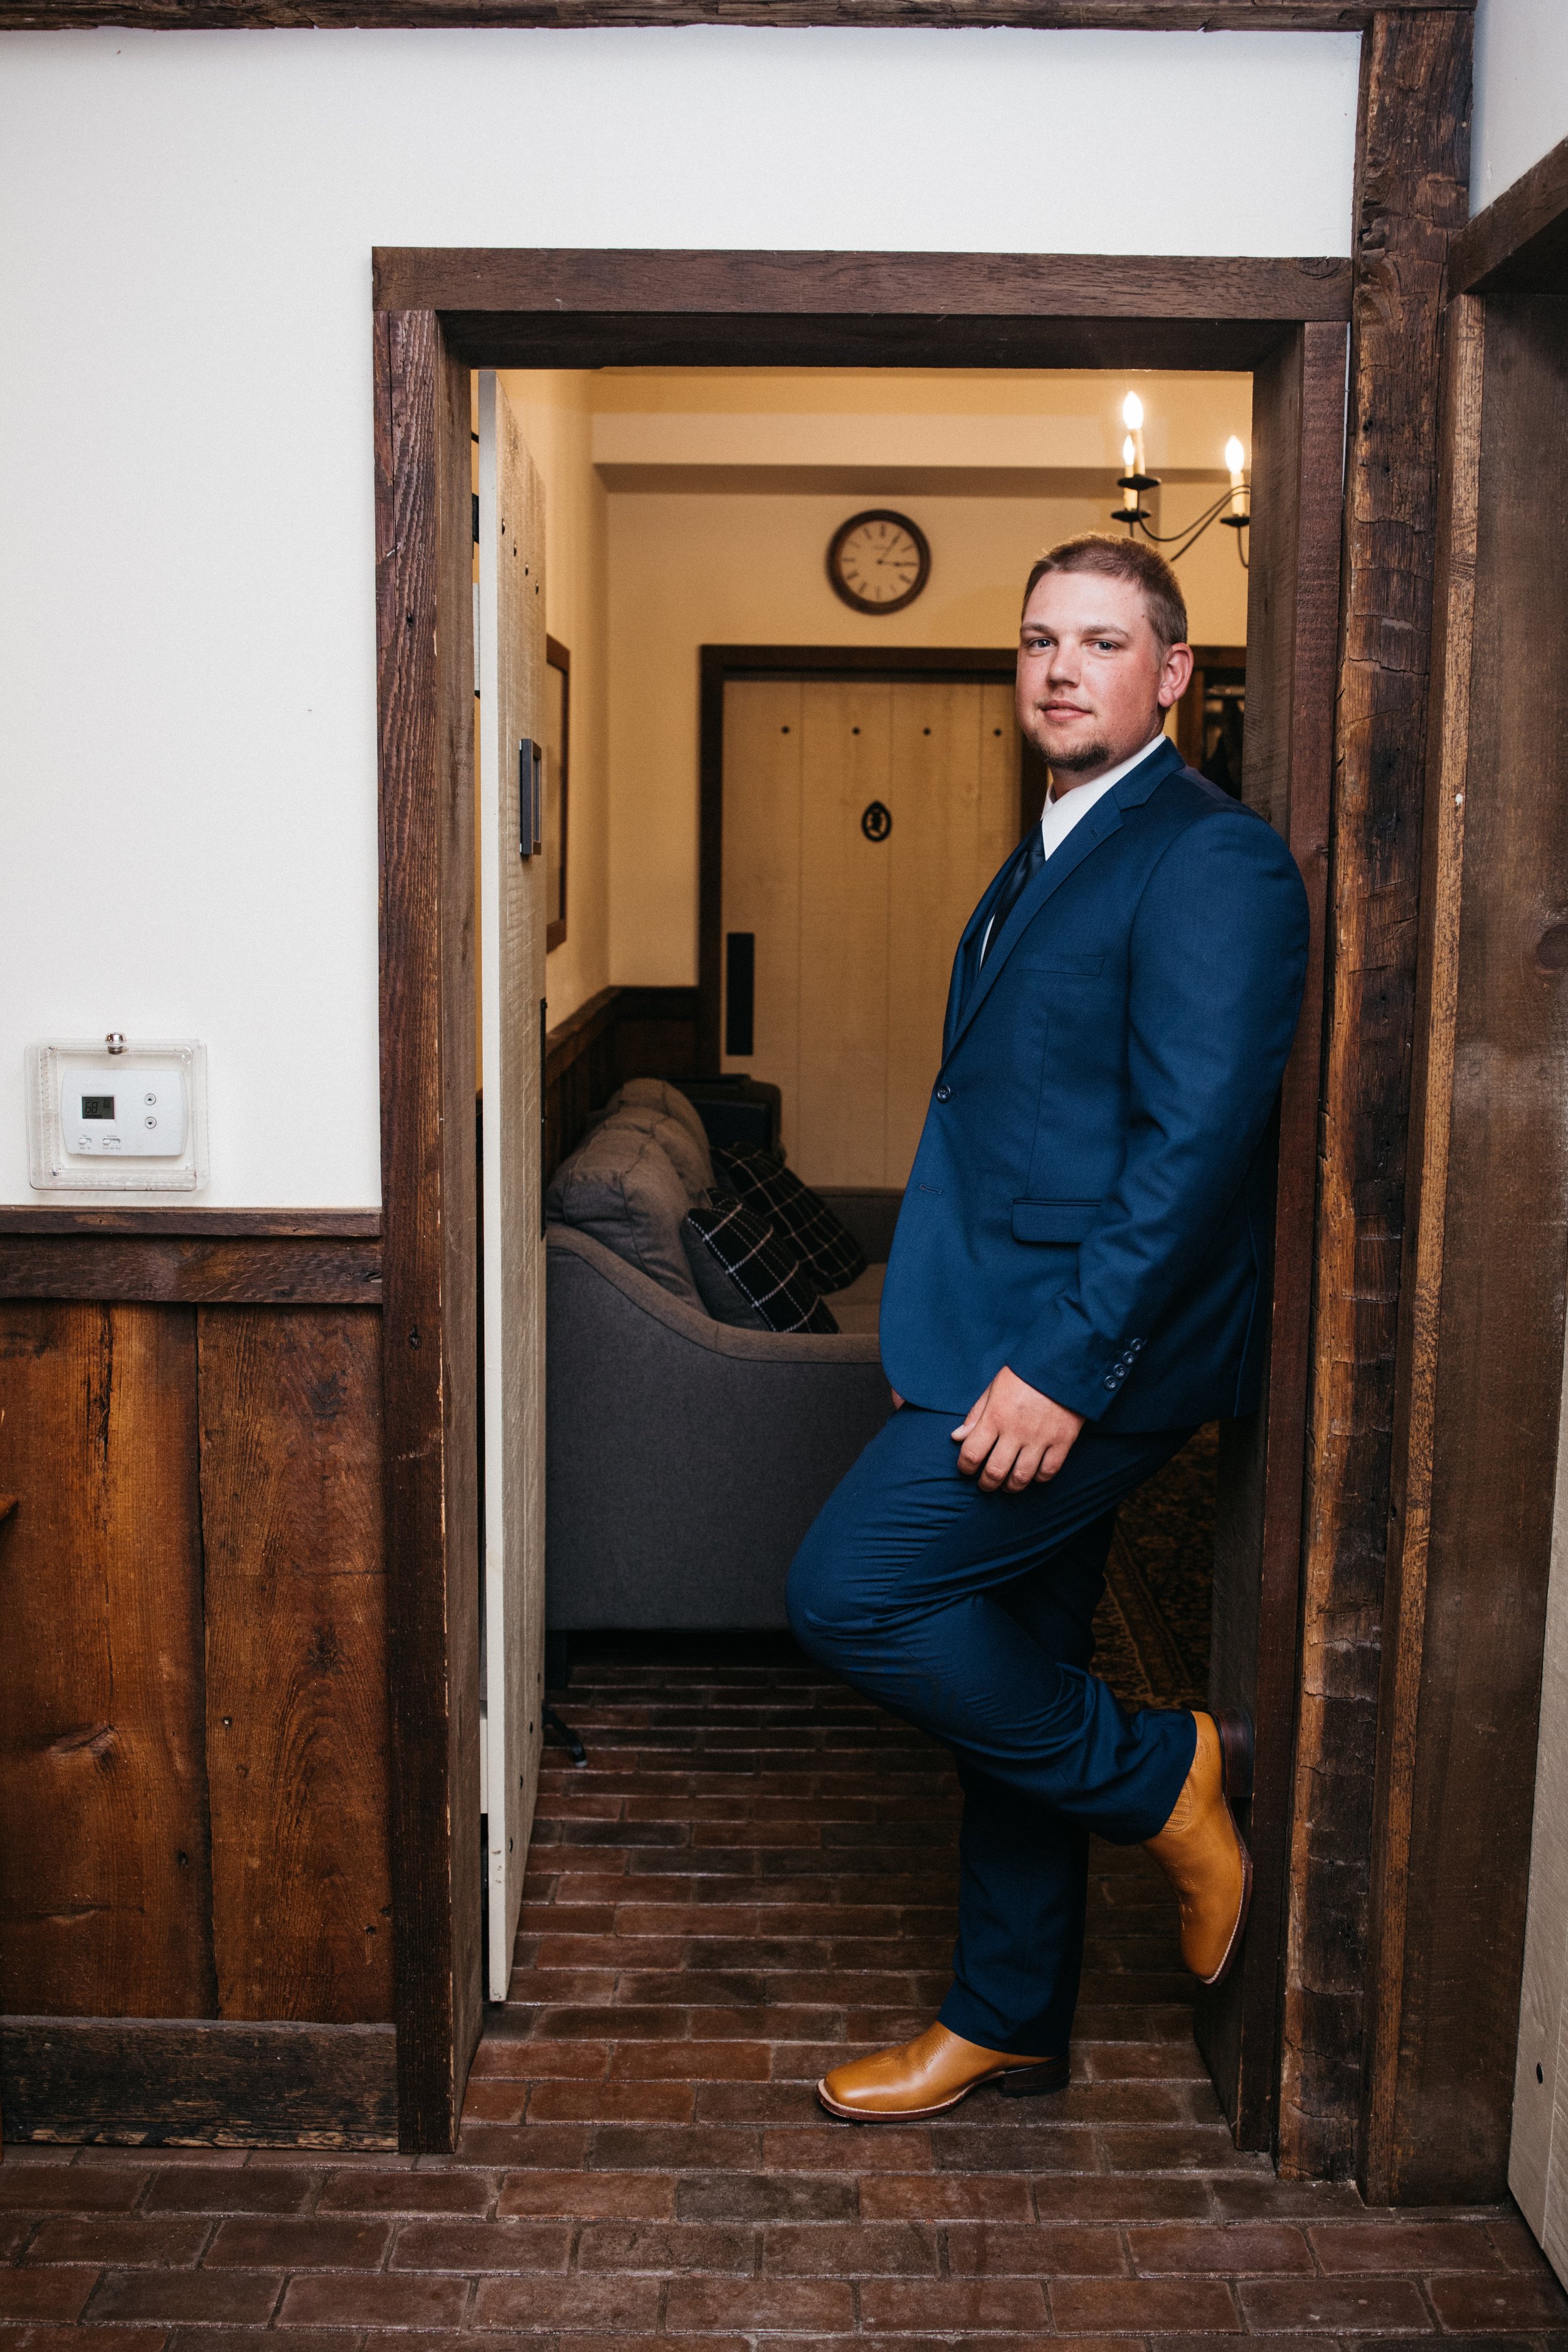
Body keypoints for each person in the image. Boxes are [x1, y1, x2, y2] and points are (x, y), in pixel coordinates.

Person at [786, 534, 1310, 2122]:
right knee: (1008, 1656)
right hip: (991, 1334)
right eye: (1036, 640)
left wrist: (1061, 1367)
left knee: (849, 1592)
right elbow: (1005, 1123)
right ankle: (1004, 2014)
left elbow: (1194, 1147)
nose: (1059, 667)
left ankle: (1166, 1777)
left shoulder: (1209, 859)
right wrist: (939, 1321)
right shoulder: (1050, 847)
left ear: (1173, 677)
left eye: (1099, 641)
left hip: (1092, 1359)